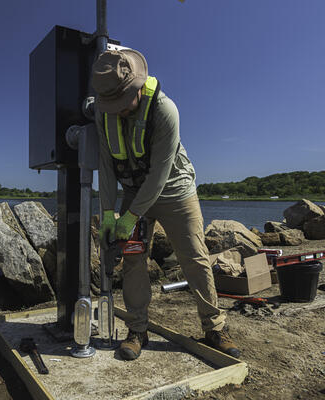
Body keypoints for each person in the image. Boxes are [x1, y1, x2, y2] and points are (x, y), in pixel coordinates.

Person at [92, 49, 240, 360]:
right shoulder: (103, 112)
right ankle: (138, 329)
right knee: (133, 260)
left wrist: (131, 216)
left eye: (122, 103)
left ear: (136, 88)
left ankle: (214, 327)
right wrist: (108, 213)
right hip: (133, 191)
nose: (117, 111)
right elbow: (105, 167)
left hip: (174, 191)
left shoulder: (165, 110)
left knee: (195, 257)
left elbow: (159, 174)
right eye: (112, 105)